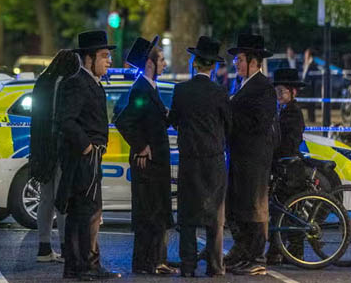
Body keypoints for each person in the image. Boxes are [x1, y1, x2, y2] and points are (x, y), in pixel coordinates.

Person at [55, 30, 121, 280]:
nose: (109, 61)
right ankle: (85, 266)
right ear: (88, 58)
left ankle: (80, 266)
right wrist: (87, 147)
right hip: (83, 159)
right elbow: (65, 120)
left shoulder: (92, 82)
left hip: (91, 159)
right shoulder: (76, 82)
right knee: (86, 213)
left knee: (86, 212)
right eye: (104, 56)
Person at [168, 36, 232, 278]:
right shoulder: (219, 93)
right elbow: (229, 124)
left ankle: (188, 266)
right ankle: (215, 266)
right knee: (215, 218)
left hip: (189, 159)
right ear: (213, 66)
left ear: (194, 62)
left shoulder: (181, 91)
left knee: (187, 217)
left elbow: (173, 120)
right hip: (214, 160)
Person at [113, 36, 175, 275]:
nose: (165, 65)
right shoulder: (141, 89)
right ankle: (147, 263)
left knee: (156, 211)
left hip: (156, 162)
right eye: (161, 60)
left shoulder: (150, 88)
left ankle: (157, 260)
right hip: (149, 163)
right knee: (149, 213)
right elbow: (125, 120)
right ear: (150, 63)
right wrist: (140, 146)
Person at [225, 34, 278, 276]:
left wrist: (232, 118)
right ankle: (244, 252)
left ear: (254, 61)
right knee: (240, 206)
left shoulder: (263, 87)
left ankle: (257, 257)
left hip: (254, 158)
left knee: (255, 208)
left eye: (240, 59)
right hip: (240, 156)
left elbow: (261, 122)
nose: (236, 63)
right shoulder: (243, 84)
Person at [30, 49, 80, 263]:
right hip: (60, 147)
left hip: (41, 147)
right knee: (62, 200)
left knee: (45, 199)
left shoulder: (42, 82)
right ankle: (65, 247)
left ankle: (43, 248)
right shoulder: (68, 83)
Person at [266, 67, 307, 265]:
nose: (279, 95)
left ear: (293, 92)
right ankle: (279, 250)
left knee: (286, 211)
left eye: (282, 92)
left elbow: (289, 143)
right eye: (277, 92)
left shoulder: (293, 113)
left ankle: (292, 250)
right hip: (283, 168)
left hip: (290, 169)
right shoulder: (283, 111)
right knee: (281, 211)